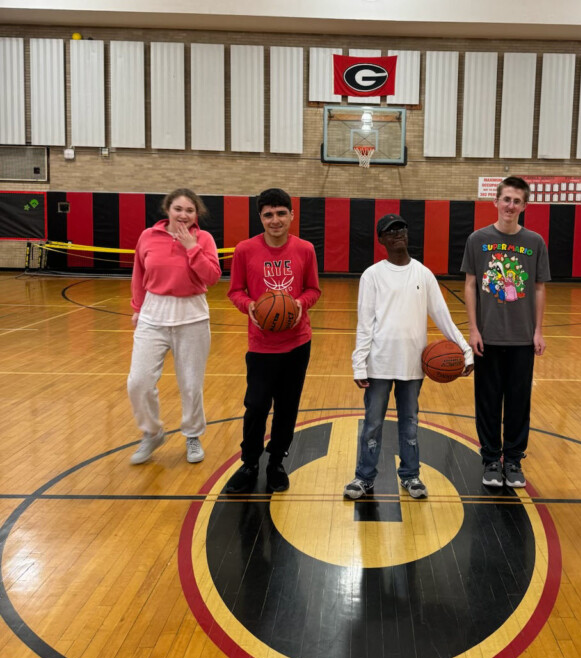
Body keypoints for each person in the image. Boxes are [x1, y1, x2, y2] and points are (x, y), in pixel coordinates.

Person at [343, 213, 474, 501]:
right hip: (379, 364)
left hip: (414, 366)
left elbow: (443, 317)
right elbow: (364, 323)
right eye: (391, 231)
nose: (398, 233)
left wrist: (465, 350)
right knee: (373, 423)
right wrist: (359, 363)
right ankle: (364, 477)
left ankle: (411, 476)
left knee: (410, 421)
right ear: (382, 240)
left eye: (402, 227)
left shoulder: (423, 274)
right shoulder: (372, 275)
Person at [224, 188, 321, 494]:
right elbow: (235, 291)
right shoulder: (244, 249)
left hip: (297, 342)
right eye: (268, 214)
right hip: (261, 345)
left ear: (292, 215)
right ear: (260, 218)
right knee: (255, 406)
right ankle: (250, 462)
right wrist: (249, 306)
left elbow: (313, 290)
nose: (275, 220)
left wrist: (298, 306)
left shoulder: (305, 249)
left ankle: (276, 461)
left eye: (281, 213)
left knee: (287, 407)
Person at [461, 176, 550, 489]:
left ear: (524, 206)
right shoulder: (478, 239)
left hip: (522, 339)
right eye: (506, 199)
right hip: (488, 336)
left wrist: (538, 331)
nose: (511, 205)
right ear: (495, 202)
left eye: (517, 201)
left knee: (518, 401)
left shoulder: (535, 242)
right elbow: (471, 284)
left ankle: (512, 459)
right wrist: (473, 329)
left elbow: (538, 288)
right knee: (487, 400)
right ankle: (490, 459)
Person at [127, 188, 221, 464]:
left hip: (192, 315)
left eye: (189, 210)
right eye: (178, 209)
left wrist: (192, 247)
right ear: (167, 209)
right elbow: (138, 274)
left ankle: (192, 435)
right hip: (153, 314)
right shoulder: (148, 236)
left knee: (191, 384)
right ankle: (152, 432)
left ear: (196, 214)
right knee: (138, 382)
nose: (183, 215)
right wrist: (137, 308)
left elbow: (212, 277)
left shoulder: (204, 238)